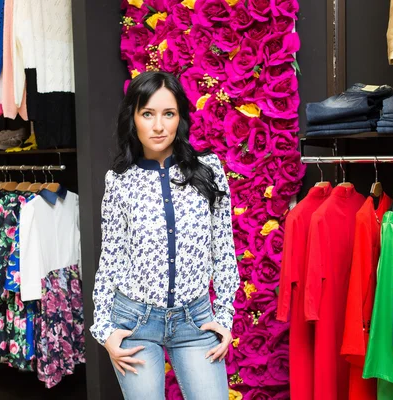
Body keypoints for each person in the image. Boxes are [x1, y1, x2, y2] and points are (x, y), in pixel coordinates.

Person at [90, 71, 240, 400]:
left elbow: (224, 251)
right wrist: (104, 329)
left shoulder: (209, 170)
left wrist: (225, 316)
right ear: (133, 118)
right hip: (134, 322)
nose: (158, 126)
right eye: (148, 114)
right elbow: (111, 257)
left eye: (168, 114)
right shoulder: (119, 182)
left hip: (196, 322)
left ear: (180, 119)